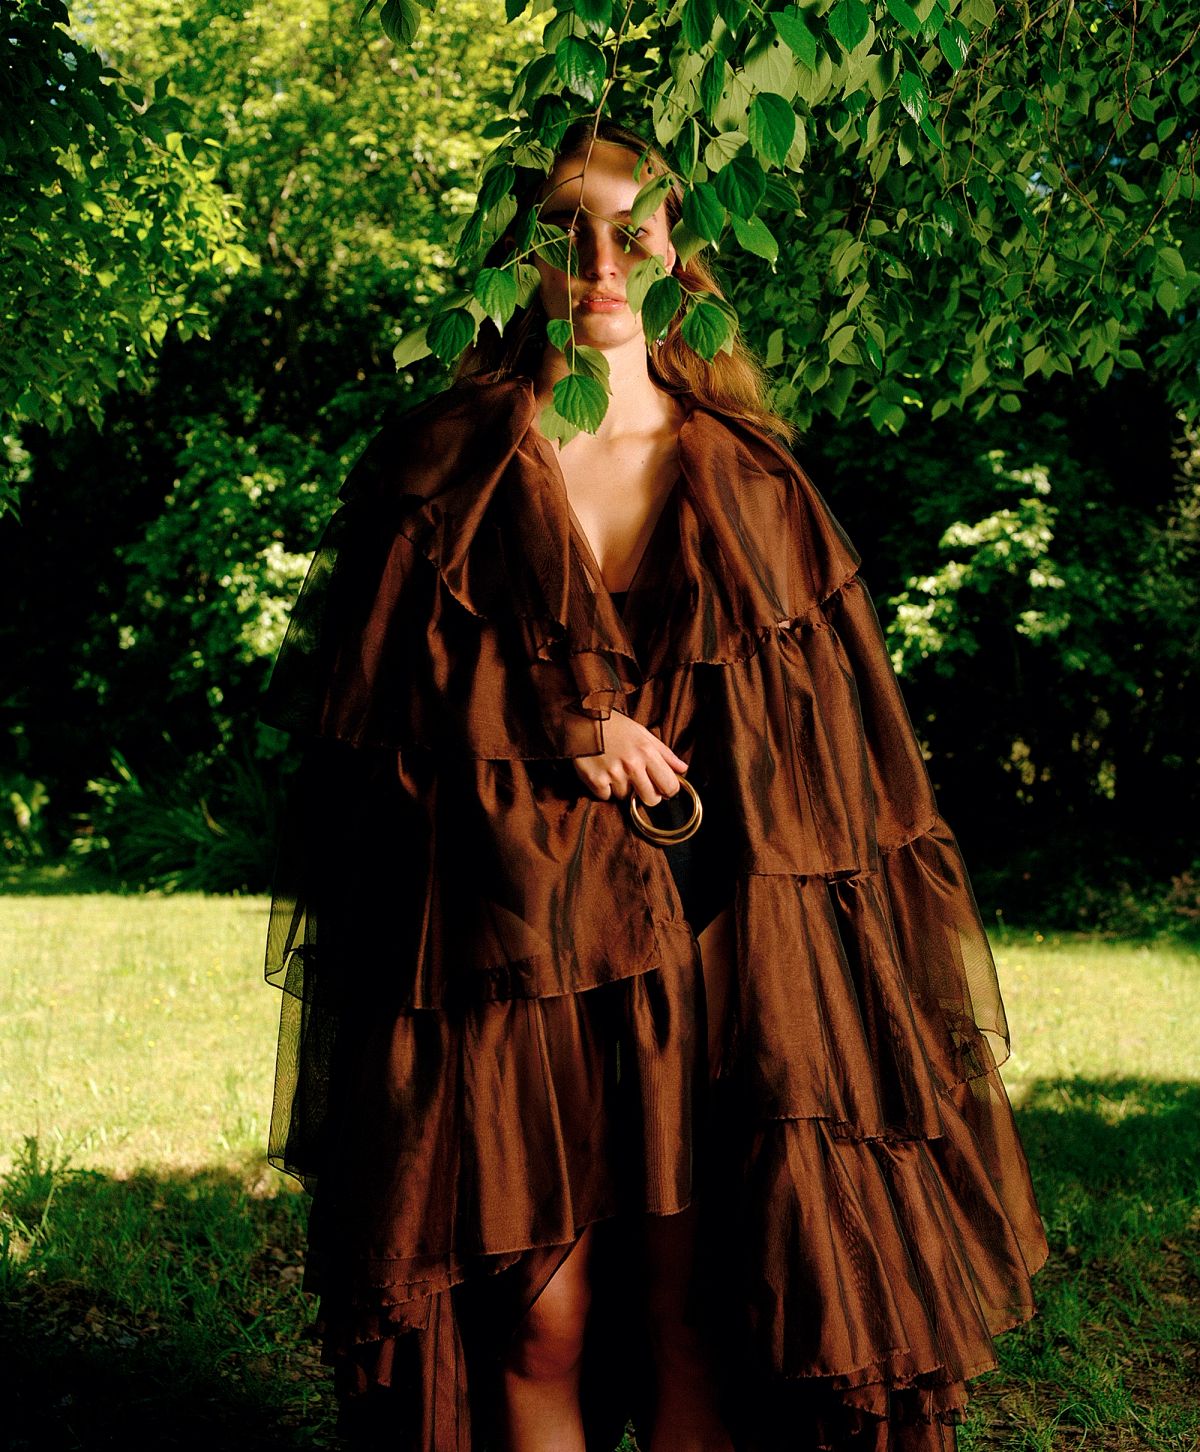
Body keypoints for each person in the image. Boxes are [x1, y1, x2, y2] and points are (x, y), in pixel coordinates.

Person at [262, 118, 1049, 1452]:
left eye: (633, 228)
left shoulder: (748, 478)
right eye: (568, 227)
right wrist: (562, 724)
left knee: (703, 1324)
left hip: (717, 954)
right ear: (519, 255)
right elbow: (359, 728)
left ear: (679, 251)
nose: (601, 257)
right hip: (505, 952)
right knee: (531, 1323)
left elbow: (833, 774)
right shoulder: (437, 466)